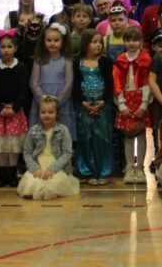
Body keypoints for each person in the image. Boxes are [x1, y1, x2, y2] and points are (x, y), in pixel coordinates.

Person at [0, 34, 30, 188]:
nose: (6, 50)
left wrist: (15, 108)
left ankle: (12, 174)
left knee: (13, 144)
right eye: (3, 47)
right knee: (1, 144)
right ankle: (2, 174)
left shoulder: (21, 67)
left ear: (15, 48)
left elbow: (24, 90)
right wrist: (0, 108)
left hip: (15, 112)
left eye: (9, 47)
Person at [18, 96, 81, 200]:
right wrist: (35, 168)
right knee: (31, 183)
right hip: (38, 164)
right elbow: (27, 152)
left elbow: (67, 153)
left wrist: (53, 169)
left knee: (55, 184)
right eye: (43, 112)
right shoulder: (33, 130)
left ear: (57, 113)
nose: (46, 115)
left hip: (57, 165)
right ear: (39, 113)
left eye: (50, 112)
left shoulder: (63, 130)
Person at [74, 30, 115, 185]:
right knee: (86, 138)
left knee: (102, 139)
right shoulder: (77, 62)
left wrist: (103, 101)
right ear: (85, 43)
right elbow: (76, 84)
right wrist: (83, 102)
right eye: (94, 42)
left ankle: (103, 171)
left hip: (103, 106)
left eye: (99, 42)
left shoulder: (105, 61)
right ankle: (87, 171)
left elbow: (110, 83)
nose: (98, 45)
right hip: (84, 106)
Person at [114, 26, 153, 184]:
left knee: (141, 134)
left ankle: (140, 168)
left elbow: (148, 83)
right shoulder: (120, 60)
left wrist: (144, 104)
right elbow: (117, 83)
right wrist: (121, 105)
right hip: (126, 100)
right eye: (128, 40)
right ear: (124, 42)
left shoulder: (146, 59)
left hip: (140, 99)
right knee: (128, 135)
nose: (131, 43)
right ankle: (130, 167)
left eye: (135, 40)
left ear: (141, 42)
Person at [29, 23, 75, 140]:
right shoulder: (39, 59)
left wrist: (57, 101)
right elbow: (34, 82)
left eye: (56, 40)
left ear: (63, 42)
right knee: (42, 133)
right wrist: (43, 100)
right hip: (42, 99)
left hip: (61, 100)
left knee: (60, 133)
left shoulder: (67, 59)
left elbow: (69, 81)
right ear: (43, 41)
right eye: (49, 40)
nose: (52, 43)